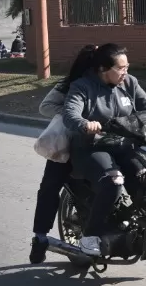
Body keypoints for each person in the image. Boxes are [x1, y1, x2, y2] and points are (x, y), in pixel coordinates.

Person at [61, 43, 146, 257]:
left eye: (127, 67)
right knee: (113, 182)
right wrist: (85, 123)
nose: (125, 72)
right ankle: (89, 236)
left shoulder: (129, 83)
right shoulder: (83, 86)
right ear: (103, 69)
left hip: (123, 145)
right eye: (121, 68)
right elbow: (70, 113)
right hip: (92, 147)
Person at [29, 45, 99, 264]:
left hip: (99, 144)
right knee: (50, 187)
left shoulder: (113, 84)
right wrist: (71, 115)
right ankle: (40, 237)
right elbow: (46, 106)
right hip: (66, 146)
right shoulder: (69, 85)